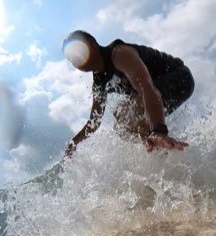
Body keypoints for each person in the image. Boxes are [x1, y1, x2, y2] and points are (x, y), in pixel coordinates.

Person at [62, 30, 195, 156]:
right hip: (154, 91)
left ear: (92, 44)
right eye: (72, 59)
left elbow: (147, 88)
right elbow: (94, 122)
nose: (76, 59)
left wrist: (158, 130)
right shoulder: (99, 82)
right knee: (121, 120)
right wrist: (74, 143)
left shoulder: (119, 53)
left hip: (180, 77)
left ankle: (159, 136)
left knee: (125, 111)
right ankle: (163, 151)